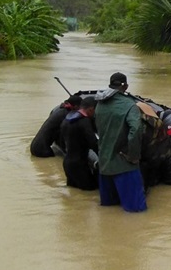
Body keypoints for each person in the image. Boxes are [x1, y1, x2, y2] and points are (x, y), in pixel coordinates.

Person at [93, 71, 146, 212]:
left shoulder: (100, 104)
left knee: (108, 209)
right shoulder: (129, 105)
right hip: (125, 166)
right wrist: (133, 156)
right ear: (126, 86)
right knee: (136, 212)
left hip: (104, 164)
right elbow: (135, 131)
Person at [60, 95, 99, 190]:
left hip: (67, 163)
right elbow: (94, 144)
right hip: (79, 164)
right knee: (90, 191)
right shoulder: (84, 121)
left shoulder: (67, 119)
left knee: (73, 193)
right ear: (91, 109)